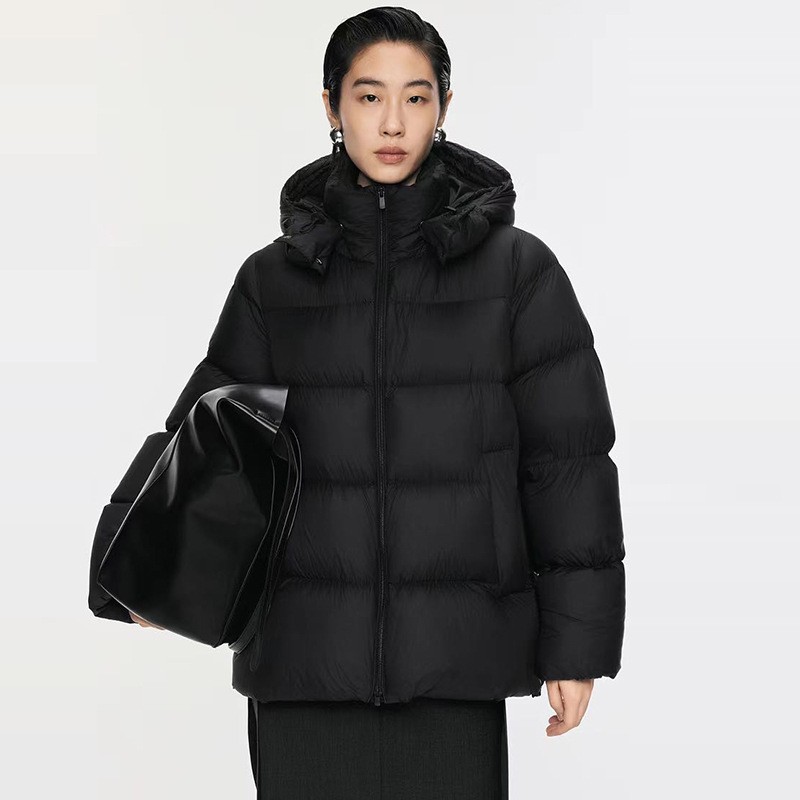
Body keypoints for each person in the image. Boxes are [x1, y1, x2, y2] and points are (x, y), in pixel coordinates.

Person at [88, 6, 626, 799]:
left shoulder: (517, 273)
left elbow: (567, 464)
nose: (393, 122)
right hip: (303, 658)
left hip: (457, 657)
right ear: (332, 106)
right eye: (370, 96)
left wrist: (576, 646)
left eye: (416, 97)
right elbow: (209, 433)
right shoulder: (274, 280)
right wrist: (140, 568)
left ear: (444, 105)